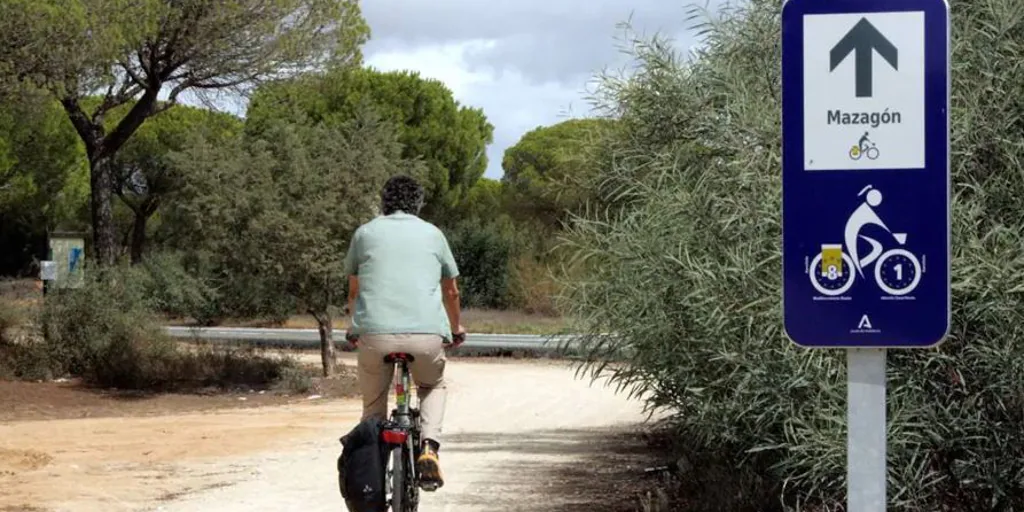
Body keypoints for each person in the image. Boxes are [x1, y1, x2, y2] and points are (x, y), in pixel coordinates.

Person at [343, 175, 465, 490]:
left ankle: (371, 474)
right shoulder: (433, 234)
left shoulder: (365, 232)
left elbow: (354, 291)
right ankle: (429, 447)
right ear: (418, 204)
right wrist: (456, 328)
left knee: (373, 404)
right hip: (426, 336)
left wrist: (353, 327)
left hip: (374, 334)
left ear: (384, 202)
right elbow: (451, 291)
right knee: (432, 385)